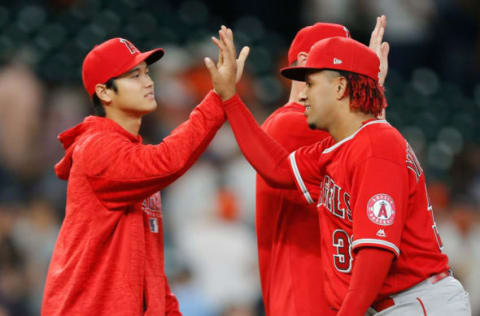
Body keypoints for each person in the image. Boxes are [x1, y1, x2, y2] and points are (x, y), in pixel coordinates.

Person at [212, 28, 471, 315]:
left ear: (339, 88)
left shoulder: (377, 146)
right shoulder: (335, 150)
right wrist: (229, 99)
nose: (303, 94)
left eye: (311, 83)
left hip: (419, 302)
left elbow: (376, 251)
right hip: (398, 304)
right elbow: (278, 169)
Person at [42, 31, 249, 316]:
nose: (149, 82)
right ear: (104, 92)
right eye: (134, 76)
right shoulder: (96, 148)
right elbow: (167, 161)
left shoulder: (131, 154)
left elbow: (147, 266)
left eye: (146, 73)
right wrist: (217, 98)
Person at [255, 18, 388, 315]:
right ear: (306, 62)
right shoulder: (291, 123)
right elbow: (373, 144)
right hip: (303, 293)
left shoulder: (322, 124)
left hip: (326, 291)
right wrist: (374, 88)